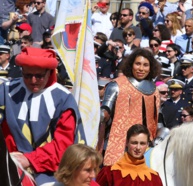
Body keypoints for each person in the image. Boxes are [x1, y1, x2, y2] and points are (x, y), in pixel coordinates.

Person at [0, 47, 86, 185]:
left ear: (50, 72)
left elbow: (63, 148)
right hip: (9, 161)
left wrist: (29, 159)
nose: (33, 81)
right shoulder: (6, 90)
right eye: (27, 75)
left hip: (50, 170)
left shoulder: (63, 99)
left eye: (39, 76)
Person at [100, 48, 161, 166]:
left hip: (143, 147)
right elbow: (105, 111)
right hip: (117, 144)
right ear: (131, 64)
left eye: (145, 65)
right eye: (138, 64)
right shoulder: (116, 85)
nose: (141, 69)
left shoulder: (155, 91)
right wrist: (101, 114)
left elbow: (156, 121)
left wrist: (159, 138)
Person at [96, 124, 163, 186]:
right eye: (134, 143)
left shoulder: (154, 178)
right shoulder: (109, 173)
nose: (138, 147)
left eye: (142, 143)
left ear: (147, 145)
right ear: (127, 143)